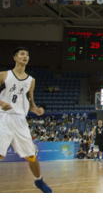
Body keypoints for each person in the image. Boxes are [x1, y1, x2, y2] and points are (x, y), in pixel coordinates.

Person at [0, 47, 52, 193]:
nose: (25, 56)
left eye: (27, 55)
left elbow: (30, 103)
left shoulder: (31, 81)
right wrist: (1, 103)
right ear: (15, 58)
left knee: (31, 155)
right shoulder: (4, 75)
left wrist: (36, 110)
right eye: (22, 54)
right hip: (3, 117)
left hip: (20, 120)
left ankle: (38, 180)